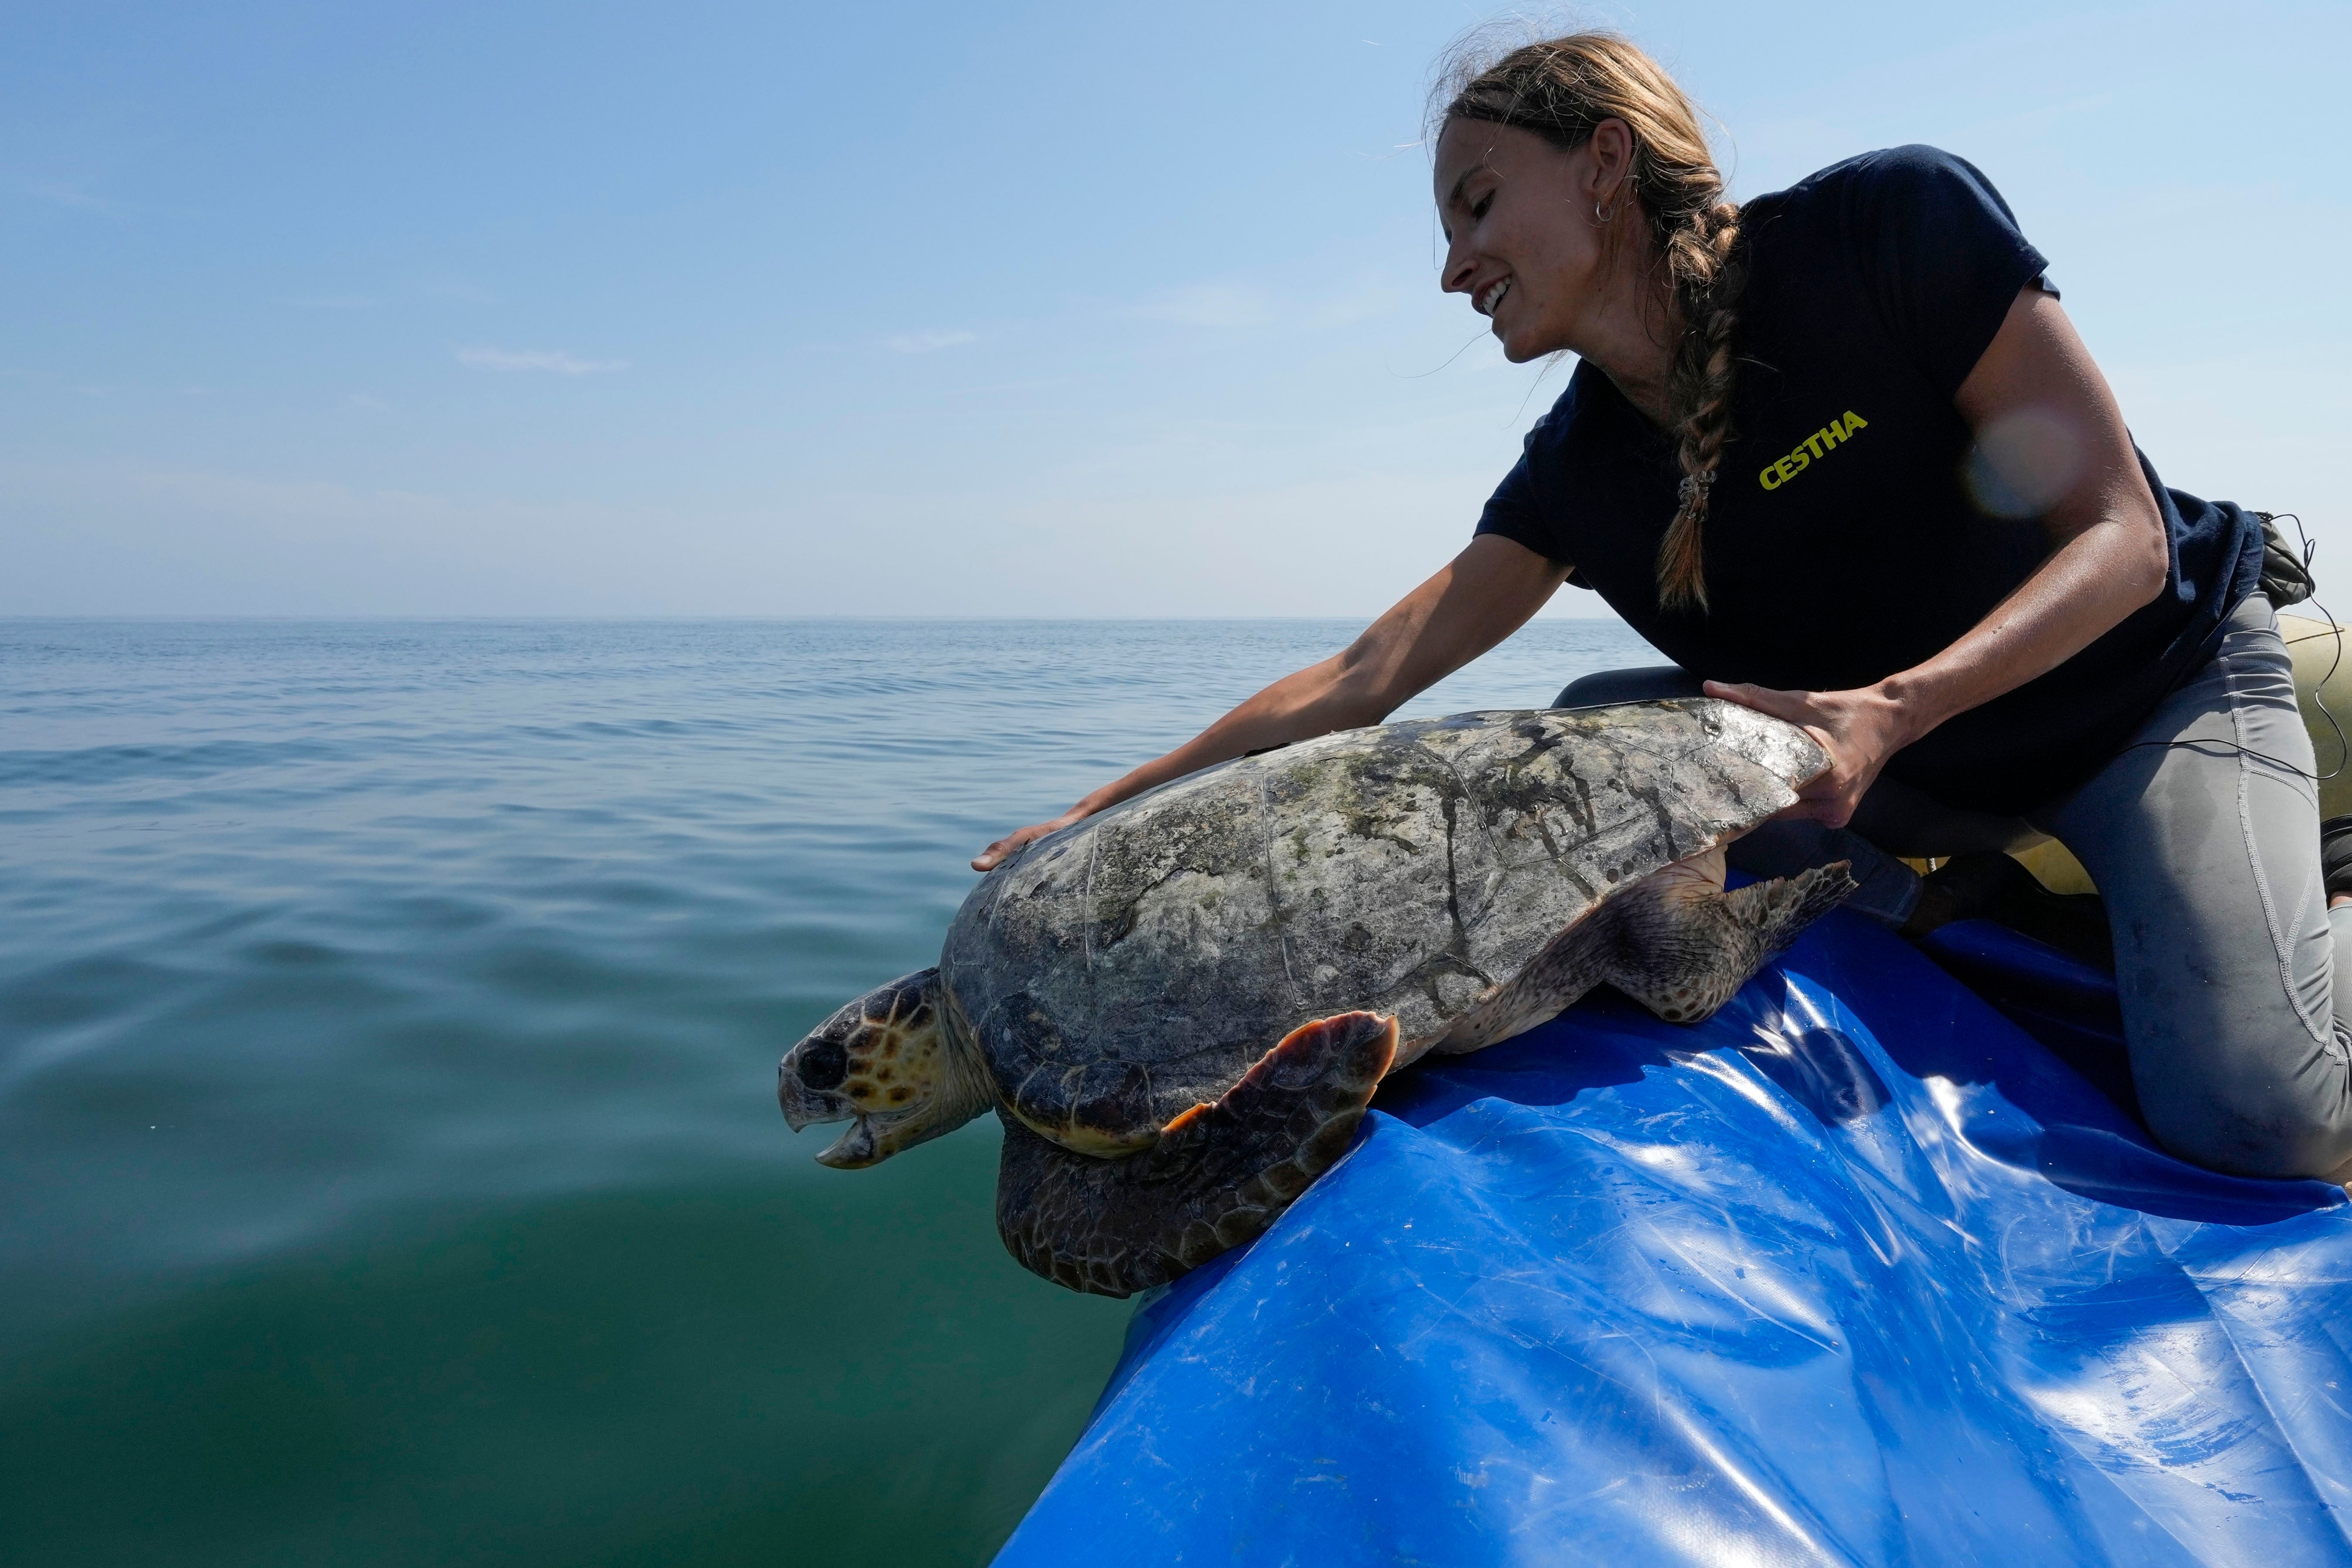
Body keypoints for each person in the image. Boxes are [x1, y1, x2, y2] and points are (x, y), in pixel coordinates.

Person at [972, 31, 2352, 1184]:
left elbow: (2119, 534)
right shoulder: (1579, 470)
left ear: (1605, 162)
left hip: (2148, 700)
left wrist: (1895, 711)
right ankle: (1970, 895)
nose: (1453, 266)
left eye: (1476, 204)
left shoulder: (1888, 229)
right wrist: (1114, 811)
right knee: (1587, 736)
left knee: (2259, 1119)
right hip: (1903, 774)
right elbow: (1368, 673)